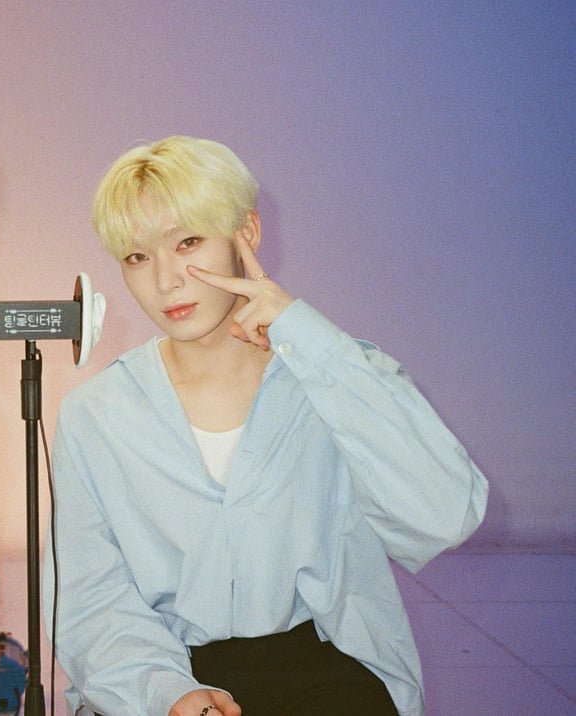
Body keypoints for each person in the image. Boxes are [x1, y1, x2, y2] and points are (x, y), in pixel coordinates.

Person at [43, 136, 488, 716]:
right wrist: (166, 693)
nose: (166, 280)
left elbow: (444, 515)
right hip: (160, 671)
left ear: (246, 234)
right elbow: (89, 597)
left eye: (187, 242)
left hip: (323, 667)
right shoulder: (96, 414)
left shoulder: (330, 377)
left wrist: (309, 339)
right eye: (136, 257)